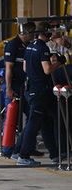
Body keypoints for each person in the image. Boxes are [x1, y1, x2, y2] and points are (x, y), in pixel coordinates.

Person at [17, 24, 60, 167]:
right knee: (33, 124)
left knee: (47, 121)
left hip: (32, 89)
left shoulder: (29, 46)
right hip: (39, 90)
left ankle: (56, 153)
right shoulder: (43, 48)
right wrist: (58, 63)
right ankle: (23, 155)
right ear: (46, 34)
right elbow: (47, 70)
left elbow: (24, 68)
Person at [1, 22, 36, 158]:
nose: (33, 36)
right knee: (11, 118)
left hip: (25, 86)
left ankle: (26, 146)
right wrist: (9, 88)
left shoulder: (28, 46)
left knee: (32, 115)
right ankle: (7, 149)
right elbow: (8, 68)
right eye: (31, 33)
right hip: (13, 86)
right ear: (25, 33)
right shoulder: (12, 45)